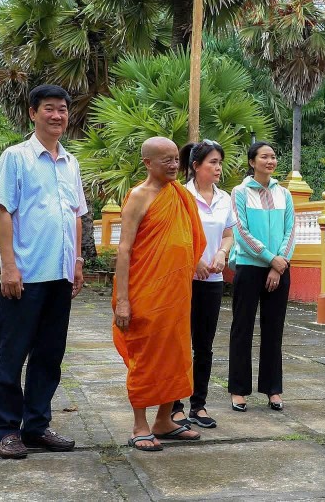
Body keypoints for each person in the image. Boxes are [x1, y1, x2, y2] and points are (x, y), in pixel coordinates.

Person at [0, 84, 87, 460]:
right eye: (49, 108)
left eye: (63, 109)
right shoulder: (16, 158)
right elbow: (3, 212)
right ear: (33, 113)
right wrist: (9, 267)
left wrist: (77, 262)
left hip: (60, 276)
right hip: (25, 275)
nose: (58, 115)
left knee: (49, 356)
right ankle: (5, 430)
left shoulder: (71, 162)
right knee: (12, 355)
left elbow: (77, 216)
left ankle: (36, 426)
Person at [112, 136, 207, 451]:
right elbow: (124, 250)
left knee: (176, 356)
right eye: (165, 159)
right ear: (147, 163)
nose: (173, 165)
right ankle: (140, 424)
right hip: (146, 291)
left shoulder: (180, 195)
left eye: (175, 159)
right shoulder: (139, 197)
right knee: (145, 357)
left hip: (177, 293)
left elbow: (189, 239)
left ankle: (164, 420)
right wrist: (123, 300)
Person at [170, 139, 236, 430]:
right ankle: (174, 407)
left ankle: (199, 404)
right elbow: (175, 235)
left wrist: (222, 253)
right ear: (196, 166)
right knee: (179, 344)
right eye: (212, 162)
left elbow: (228, 234)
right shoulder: (181, 195)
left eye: (220, 162)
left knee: (204, 346)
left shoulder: (224, 198)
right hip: (185, 280)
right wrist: (194, 259)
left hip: (213, 280)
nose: (218, 167)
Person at [228, 142, 295, 412]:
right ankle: (238, 390)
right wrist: (270, 258)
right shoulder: (240, 192)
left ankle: (273, 390)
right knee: (242, 328)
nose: (271, 161)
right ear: (252, 161)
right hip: (249, 265)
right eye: (265, 156)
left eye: (273, 156)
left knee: (274, 330)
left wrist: (279, 265)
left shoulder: (285, 194)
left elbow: (291, 231)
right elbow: (240, 231)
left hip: (279, 267)